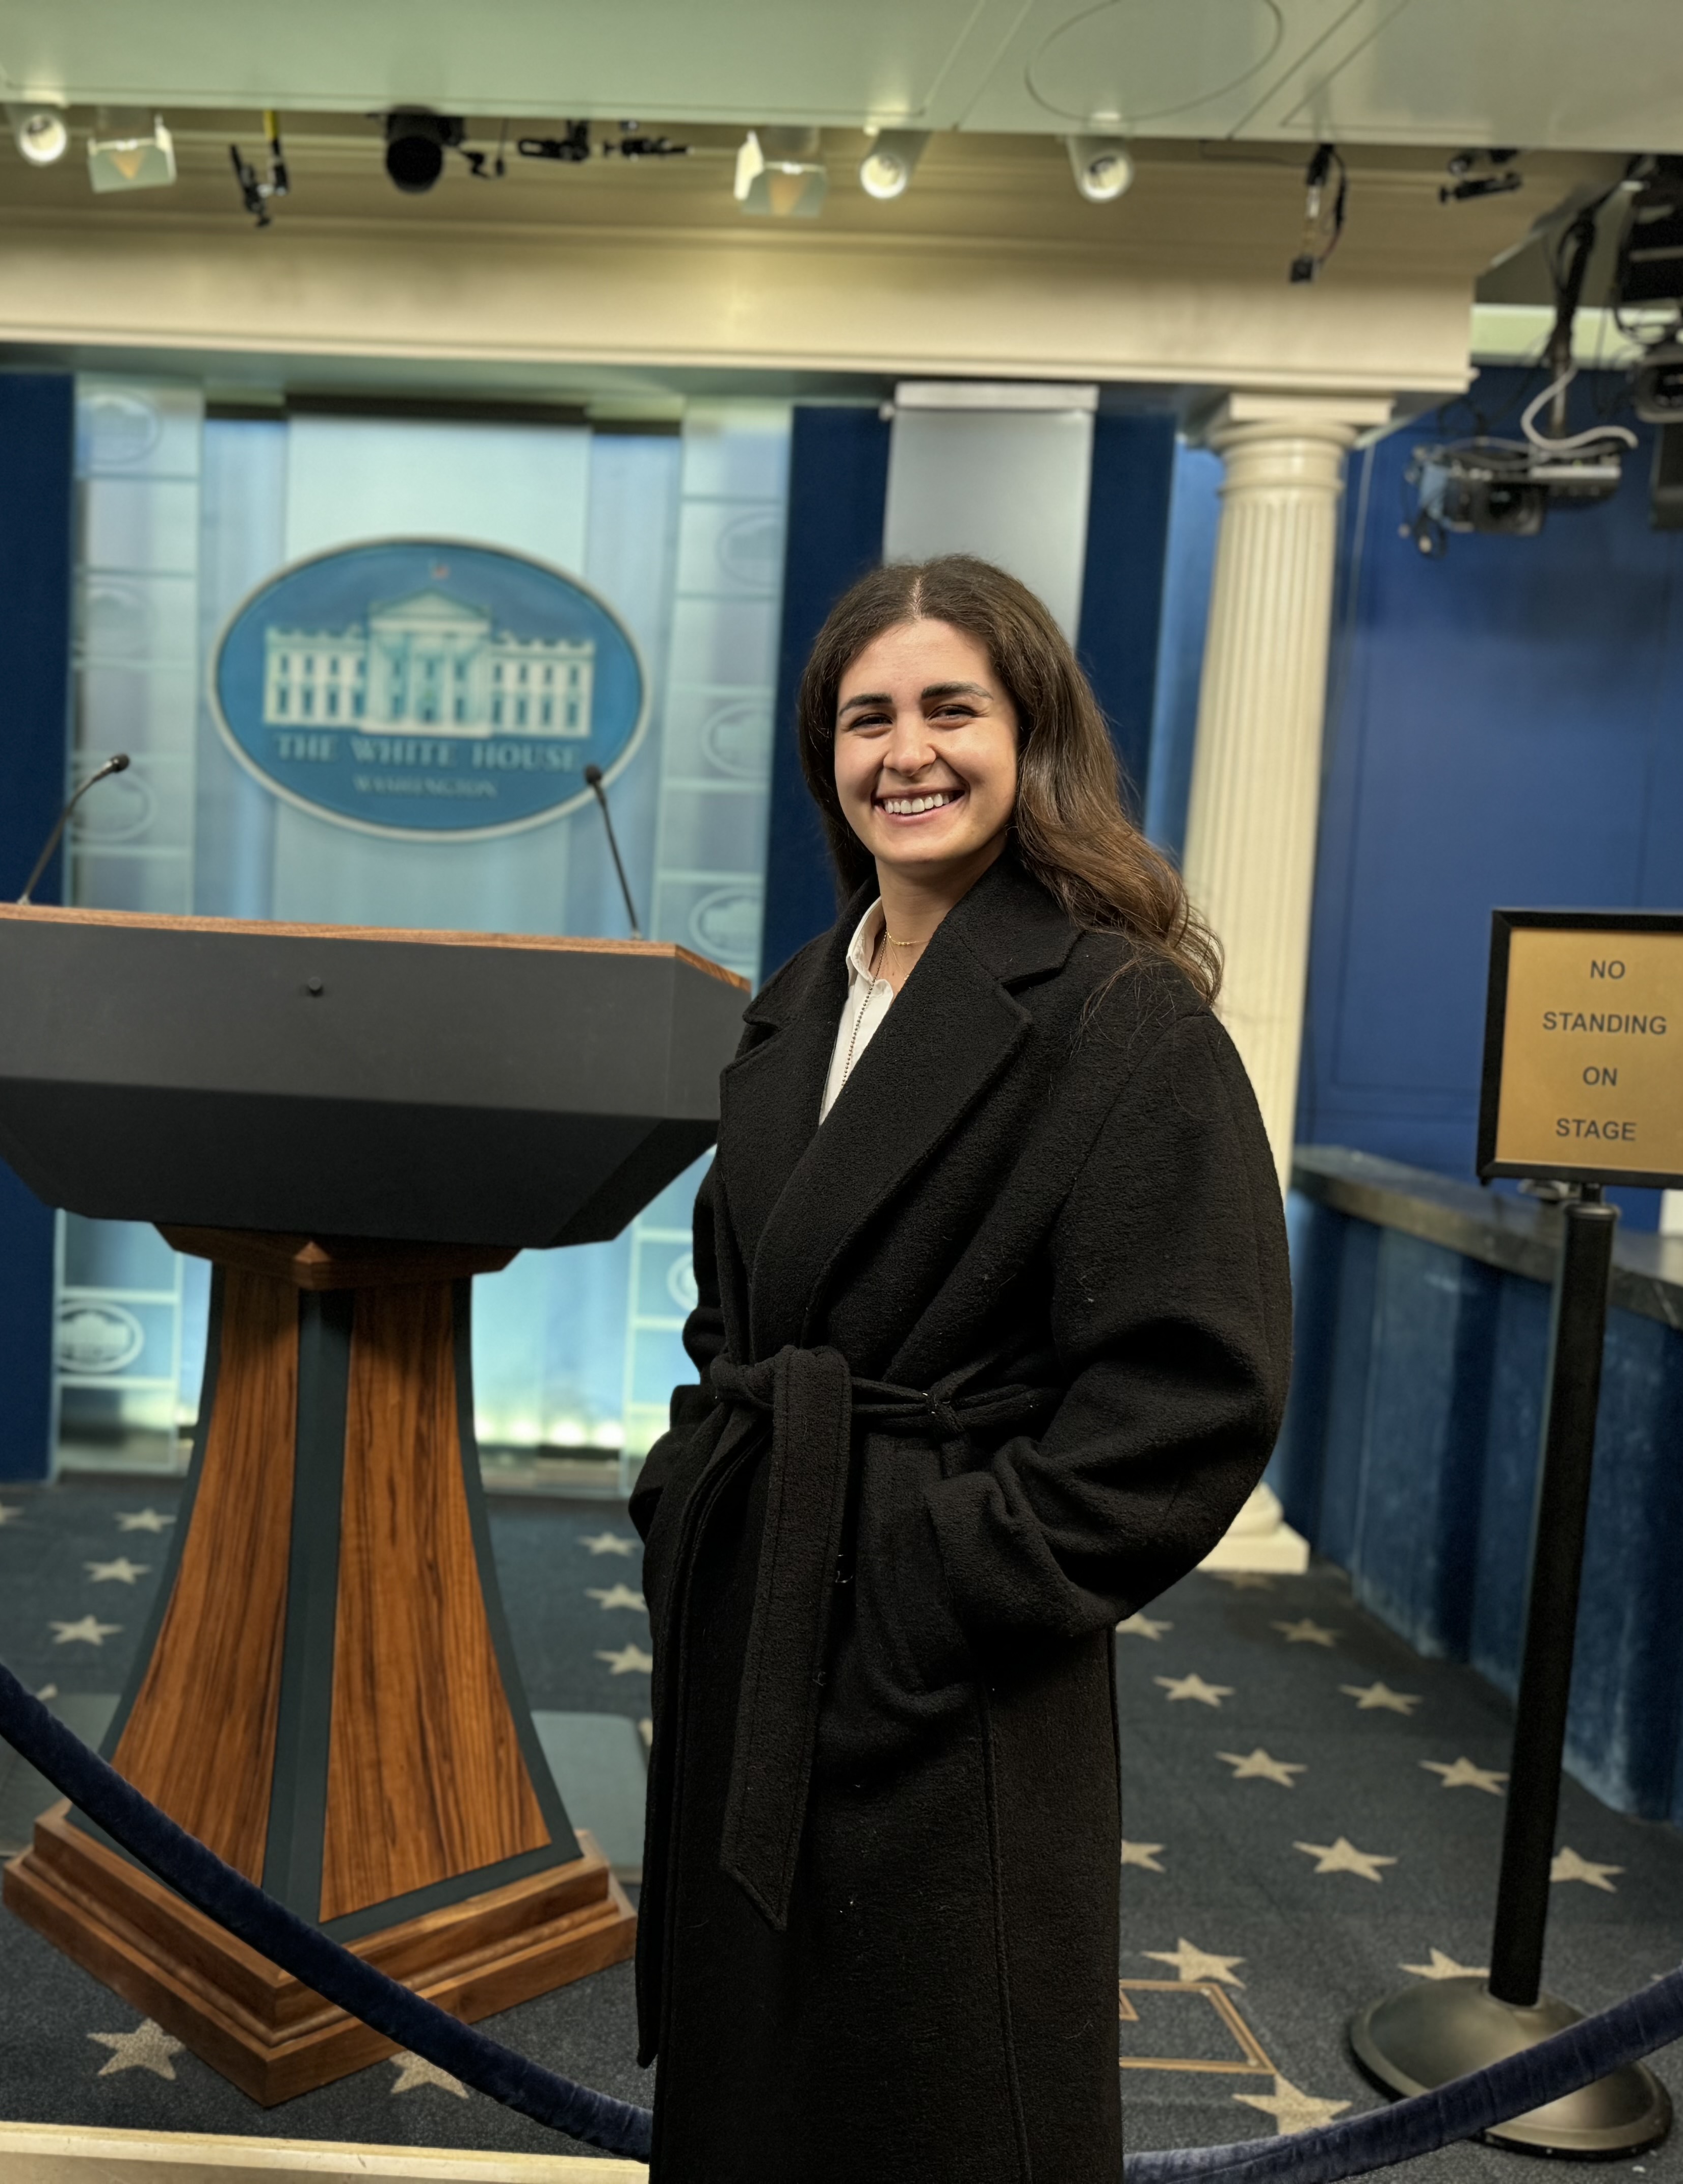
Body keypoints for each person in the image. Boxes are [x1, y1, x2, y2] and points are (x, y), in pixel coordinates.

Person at [629, 555, 1290, 2179]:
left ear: (1031, 735)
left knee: (942, 2091)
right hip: (759, 1619)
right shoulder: (798, 1002)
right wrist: (685, 1486)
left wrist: (938, 1581)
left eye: (950, 709)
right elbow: (734, 1312)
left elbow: (1192, 1394)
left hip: (956, 1664)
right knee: (760, 2081)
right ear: (824, 756)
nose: (904, 752)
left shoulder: (1125, 1017)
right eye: (867, 717)